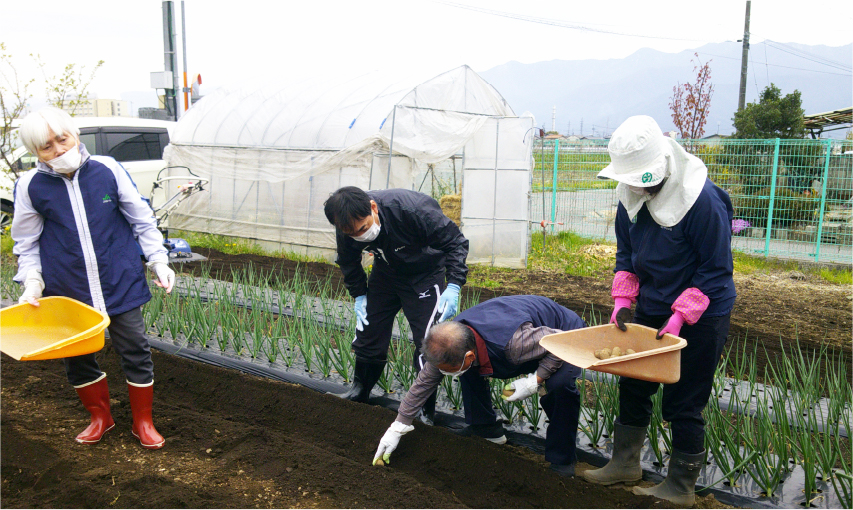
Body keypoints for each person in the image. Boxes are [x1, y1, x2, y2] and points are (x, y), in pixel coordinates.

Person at [582, 115, 736, 506]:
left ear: (663, 166)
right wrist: (622, 298)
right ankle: (625, 464)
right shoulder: (631, 195)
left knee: (685, 398)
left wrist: (682, 314)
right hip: (654, 304)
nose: (635, 186)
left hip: (702, 310)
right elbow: (626, 253)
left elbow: (716, 270)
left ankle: (681, 487)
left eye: (641, 178)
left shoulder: (701, 200)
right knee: (633, 383)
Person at [12, 107, 175, 449]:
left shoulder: (108, 169)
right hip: (69, 287)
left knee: (135, 349)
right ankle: (100, 417)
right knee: (77, 357)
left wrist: (159, 261)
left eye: (62, 139)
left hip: (120, 280)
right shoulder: (30, 186)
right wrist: (32, 282)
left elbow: (141, 220)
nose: (58, 150)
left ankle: (142, 422)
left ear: (75, 135)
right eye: (46, 146)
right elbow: (26, 244)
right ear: (34, 152)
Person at [372, 295, 586, 477]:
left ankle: (563, 459)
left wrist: (536, 380)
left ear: (470, 355)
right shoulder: (450, 342)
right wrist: (398, 426)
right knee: (467, 369)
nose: (443, 373)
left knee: (559, 387)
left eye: (446, 369)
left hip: (565, 335)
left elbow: (560, 342)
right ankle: (486, 429)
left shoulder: (515, 345)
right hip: (525, 339)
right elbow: (423, 383)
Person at [323, 186, 468, 424]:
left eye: (364, 228)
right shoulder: (346, 224)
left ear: (373, 208)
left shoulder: (412, 210)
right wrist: (360, 295)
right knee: (369, 329)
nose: (360, 235)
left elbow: (456, 243)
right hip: (386, 273)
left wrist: (453, 285)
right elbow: (348, 261)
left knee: (429, 340)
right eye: (353, 233)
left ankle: (423, 409)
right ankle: (360, 390)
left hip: (424, 274)